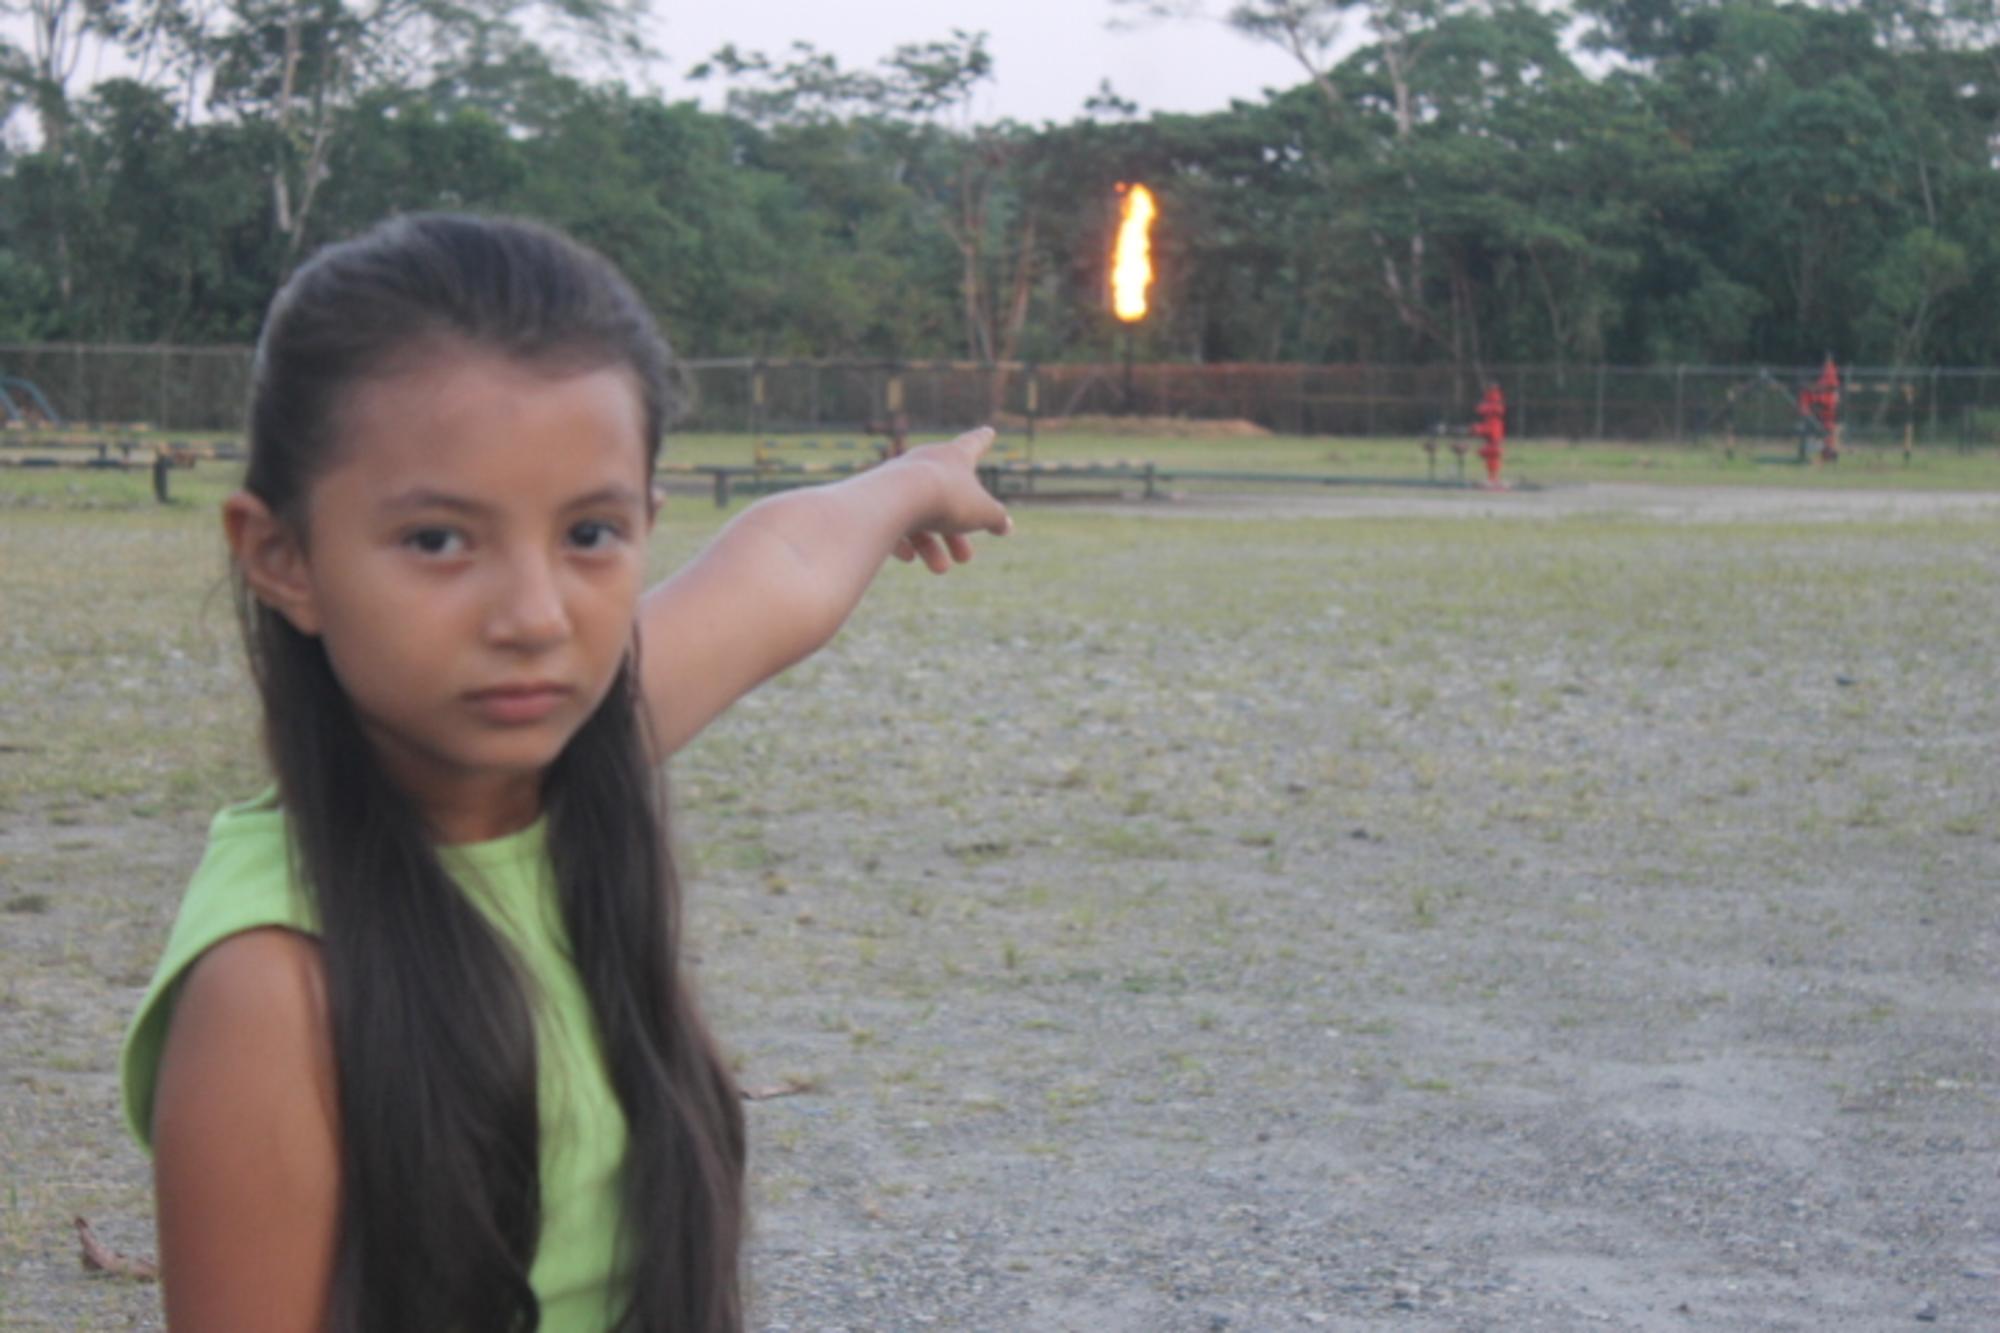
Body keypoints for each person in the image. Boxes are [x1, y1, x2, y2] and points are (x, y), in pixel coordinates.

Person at [117, 213, 1012, 1332]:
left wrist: (915, 482)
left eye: (589, 534)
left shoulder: (571, 754)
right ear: (283, 557)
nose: (534, 617)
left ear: (645, 522)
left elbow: (779, 566)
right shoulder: (275, 991)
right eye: (440, 541)